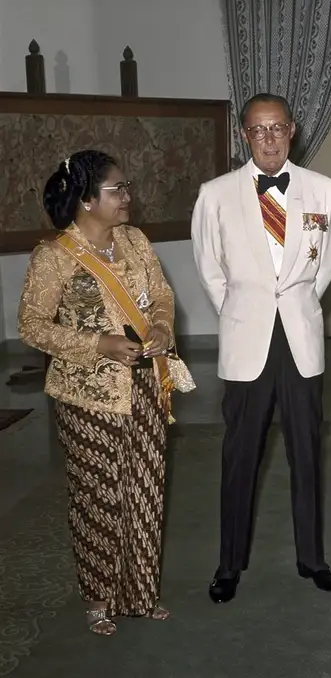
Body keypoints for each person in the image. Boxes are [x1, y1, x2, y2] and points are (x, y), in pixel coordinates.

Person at [18, 150, 178, 635]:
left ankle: (140, 593)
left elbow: (162, 295)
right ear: (87, 200)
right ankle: (97, 598)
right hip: (87, 397)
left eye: (127, 188)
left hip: (146, 385)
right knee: (99, 498)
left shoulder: (135, 241)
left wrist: (162, 327)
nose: (127, 197)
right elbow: (32, 325)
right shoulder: (54, 256)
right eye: (117, 190)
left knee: (145, 490)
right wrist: (98, 345)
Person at [191, 92, 331, 602]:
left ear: (292, 130)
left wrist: (295, 305)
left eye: (277, 128)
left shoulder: (322, 190)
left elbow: (325, 267)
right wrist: (243, 312)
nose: (270, 138)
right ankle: (229, 564)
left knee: (307, 454)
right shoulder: (215, 194)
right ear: (244, 135)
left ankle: (312, 558)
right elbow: (210, 269)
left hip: (300, 338)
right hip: (246, 340)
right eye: (259, 130)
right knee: (240, 456)